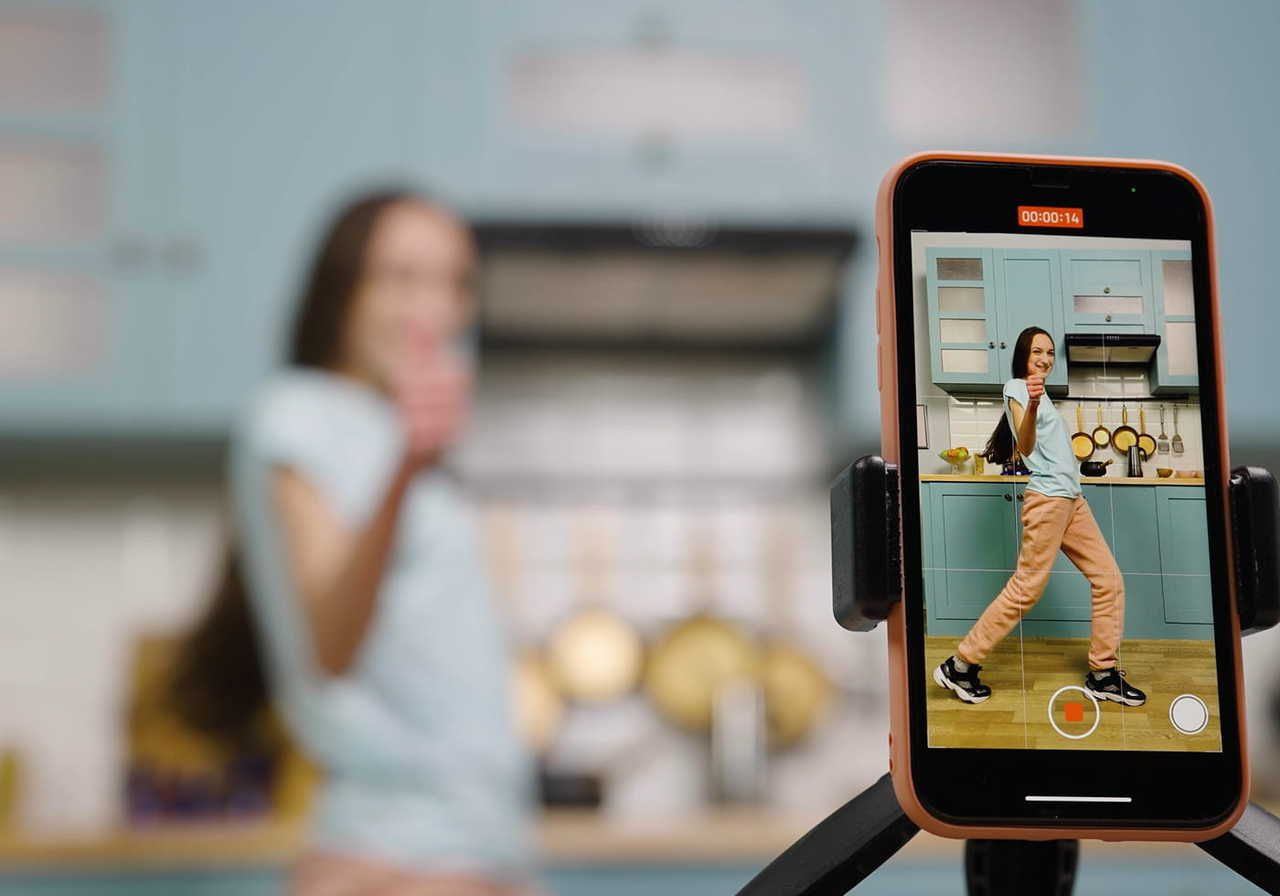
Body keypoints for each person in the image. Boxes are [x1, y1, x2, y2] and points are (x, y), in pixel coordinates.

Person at [171, 189, 538, 895]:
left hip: (474, 843)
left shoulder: (397, 436)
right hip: (401, 852)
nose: (434, 306)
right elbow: (331, 645)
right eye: (401, 277)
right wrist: (405, 467)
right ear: (342, 289)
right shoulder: (296, 416)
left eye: (454, 281)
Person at [933, 326, 1147, 709]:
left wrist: (1038, 404)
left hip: (1071, 501)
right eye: (1037, 352)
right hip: (1049, 501)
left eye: (1050, 352)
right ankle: (960, 665)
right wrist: (1031, 406)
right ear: (1022, 356)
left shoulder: (1041, 394)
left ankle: (1102, 674)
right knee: (1025, 590)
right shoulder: (1018, 388)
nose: (1045, 358)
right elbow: (1026, 443)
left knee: (1108, 580)